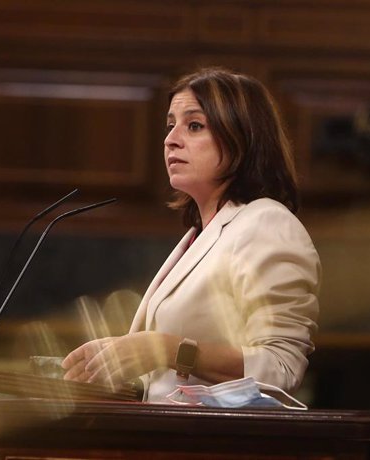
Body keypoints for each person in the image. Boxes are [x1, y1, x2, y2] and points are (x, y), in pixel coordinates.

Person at [62, 67, 321, 402]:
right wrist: (119, 361)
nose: (171, 139)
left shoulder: (267, 224)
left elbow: (281, 368)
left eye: (194, 125)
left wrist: (166, 350)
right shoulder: (201, 234)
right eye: (170, 125)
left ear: (241, 138)